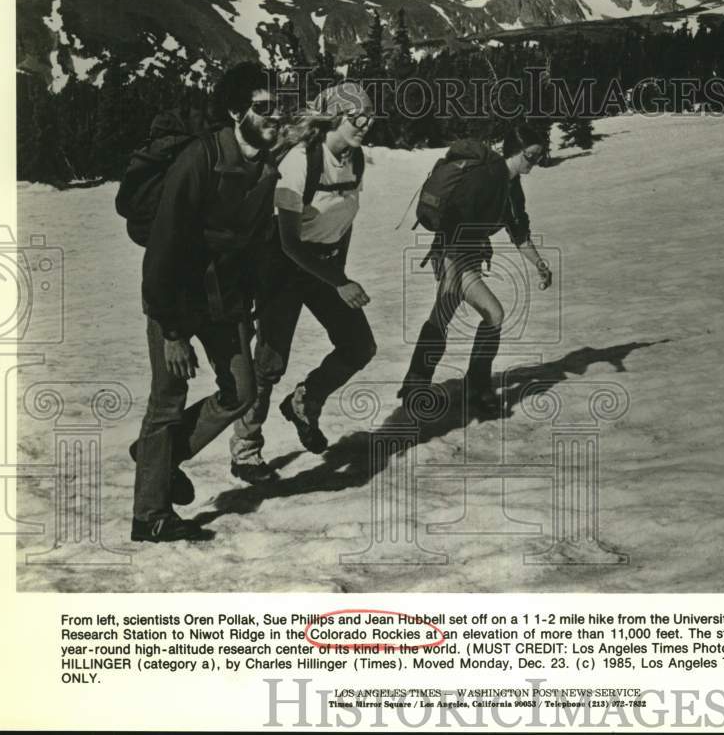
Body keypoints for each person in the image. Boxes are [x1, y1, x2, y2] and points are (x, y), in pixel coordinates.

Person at [131, 62, 282, 543]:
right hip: (174, 296)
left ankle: (161, 456)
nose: (273, 116)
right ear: (237, 111)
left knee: (242, 391)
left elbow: (255, 244)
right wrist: (171, 331)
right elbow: (164, 248)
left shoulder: (266, 165)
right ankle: (150, 515)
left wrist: (250, 305)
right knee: (167, 402)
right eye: (263, 108)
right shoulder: (199, 158)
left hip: (225, 301)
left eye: (277, 107)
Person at [229, 82, 377, 471]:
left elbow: (343, 220)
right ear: (333, 117)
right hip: (283, 267)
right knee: (269, 363)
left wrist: (337, 271)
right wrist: (339, 282)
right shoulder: (299, 161)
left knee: (359, 346)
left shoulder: (354, 160)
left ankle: (304, 403)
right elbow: (289, 243)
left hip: (322, 266)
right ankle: (245, 451)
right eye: (356, 116)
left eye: (369, 117)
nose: (365, 124)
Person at [399, 125, 553, 417]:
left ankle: (444, 383)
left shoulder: (511, 184)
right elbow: (454, 219)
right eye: (531, 156)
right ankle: (431, 385)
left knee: (464, 313)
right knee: (464, 312)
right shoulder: (485, 177)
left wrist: (539, 264)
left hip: (467, 255)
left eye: (538, 157)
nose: (534, 162)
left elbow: (518, 230)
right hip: (452, 251)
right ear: (515, 151)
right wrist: (452, 263)